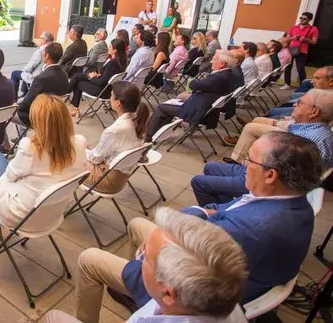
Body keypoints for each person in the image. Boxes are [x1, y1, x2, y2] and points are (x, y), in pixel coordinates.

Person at [107, 133, 320, 317]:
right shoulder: (292, 204)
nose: (244, 166)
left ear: (271, 175)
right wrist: (204, 214)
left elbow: (195, 226)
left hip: (189, 294)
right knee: (136, 224)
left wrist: (149, 256)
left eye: (250, 161)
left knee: (90, 261)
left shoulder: (251, 228)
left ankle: (141, 285)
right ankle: (135, 288)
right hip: (209, 263)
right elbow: (216, 211)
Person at [74, 207, 248, 323]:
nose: (140, 254)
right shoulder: (227, 302)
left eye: (145, 256)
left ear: (167, 293)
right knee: (137, 225)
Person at [198, 89, 333, 205]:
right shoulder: (308, 130)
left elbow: (288, 178)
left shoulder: (311, 141)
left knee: (199, 182)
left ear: (314, 111)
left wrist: (254, 163)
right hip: (263, 170)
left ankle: (224, 215)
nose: (294, 104)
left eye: (300, 103)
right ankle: (227, 206)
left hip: (269, 183)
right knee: (210, 167)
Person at [0, 94, 87, 229]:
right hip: (52, 214)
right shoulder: (80, 142)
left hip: (20, 216)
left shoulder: (30, 147)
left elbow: (10, 176)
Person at [146, 51, 236, 141]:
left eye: (215, 59)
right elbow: (204, 86)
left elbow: (193, 85)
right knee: (171, 105)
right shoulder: (229, 75)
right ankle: (159, 134)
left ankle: (149, 137)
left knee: (162, 108)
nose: (211, 61)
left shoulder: (218, 77)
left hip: (197, 110)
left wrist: (196, 83)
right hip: (206, 108)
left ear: (222, 64)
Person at [84, 82, 150, 194]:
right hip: (121, 178)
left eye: (111, 96)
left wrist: (82, 149)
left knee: (68, 153)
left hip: (105, 180)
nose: (109, 99)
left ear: (118, 103)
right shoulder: (139, 120)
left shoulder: (115, 130)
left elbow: (95, 158)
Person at [67, 39, 128, 117]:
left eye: (110, 47)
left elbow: (102, 82)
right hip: (109, 89)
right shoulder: (121, 61)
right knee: (77, 76)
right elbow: (108, 76)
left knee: (78, 82)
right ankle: (68, 96)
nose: (108, 48)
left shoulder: (112, 63)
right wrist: (98, 75)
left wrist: (92, 77)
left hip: (102, 91)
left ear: (114, 50)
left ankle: (68, 96)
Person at [18, 42, 68, 126]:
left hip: (39, 116)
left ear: (47, 56)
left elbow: (26, 105)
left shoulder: (41, 79)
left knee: (5, 113)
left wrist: (14, 106)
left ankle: (21, 137)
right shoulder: (65, 74)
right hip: (56, 114)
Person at [268, 65, 333, 118]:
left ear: (331, 81)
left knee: (272, 112)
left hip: (295, 124)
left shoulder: (326, 102)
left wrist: (280, 122)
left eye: (317, 78)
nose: (312, 81)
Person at [11, 31, 54, 98]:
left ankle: (14, 99)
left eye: (41, 38)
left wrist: (24, 71)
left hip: (37, 77)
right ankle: (25, 93)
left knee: (16, 73)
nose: (39, 39)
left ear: (45, 40)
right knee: (26, 72)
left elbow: (31, 66)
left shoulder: (40, 51)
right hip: (49, 74)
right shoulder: (56, 48)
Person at [284, 12, 319, 87]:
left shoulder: (313, 29)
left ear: (309, 20)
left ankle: (303, 85)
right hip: (291, 49)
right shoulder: (294, 27)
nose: (302, 20)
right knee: (288, 67)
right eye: (301, 18)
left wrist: (306, 39)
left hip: (302, 51)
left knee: (300, 68)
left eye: (304, 19)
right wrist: (293, 38)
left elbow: (314, 42)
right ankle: (287, 84)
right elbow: (286, 39)